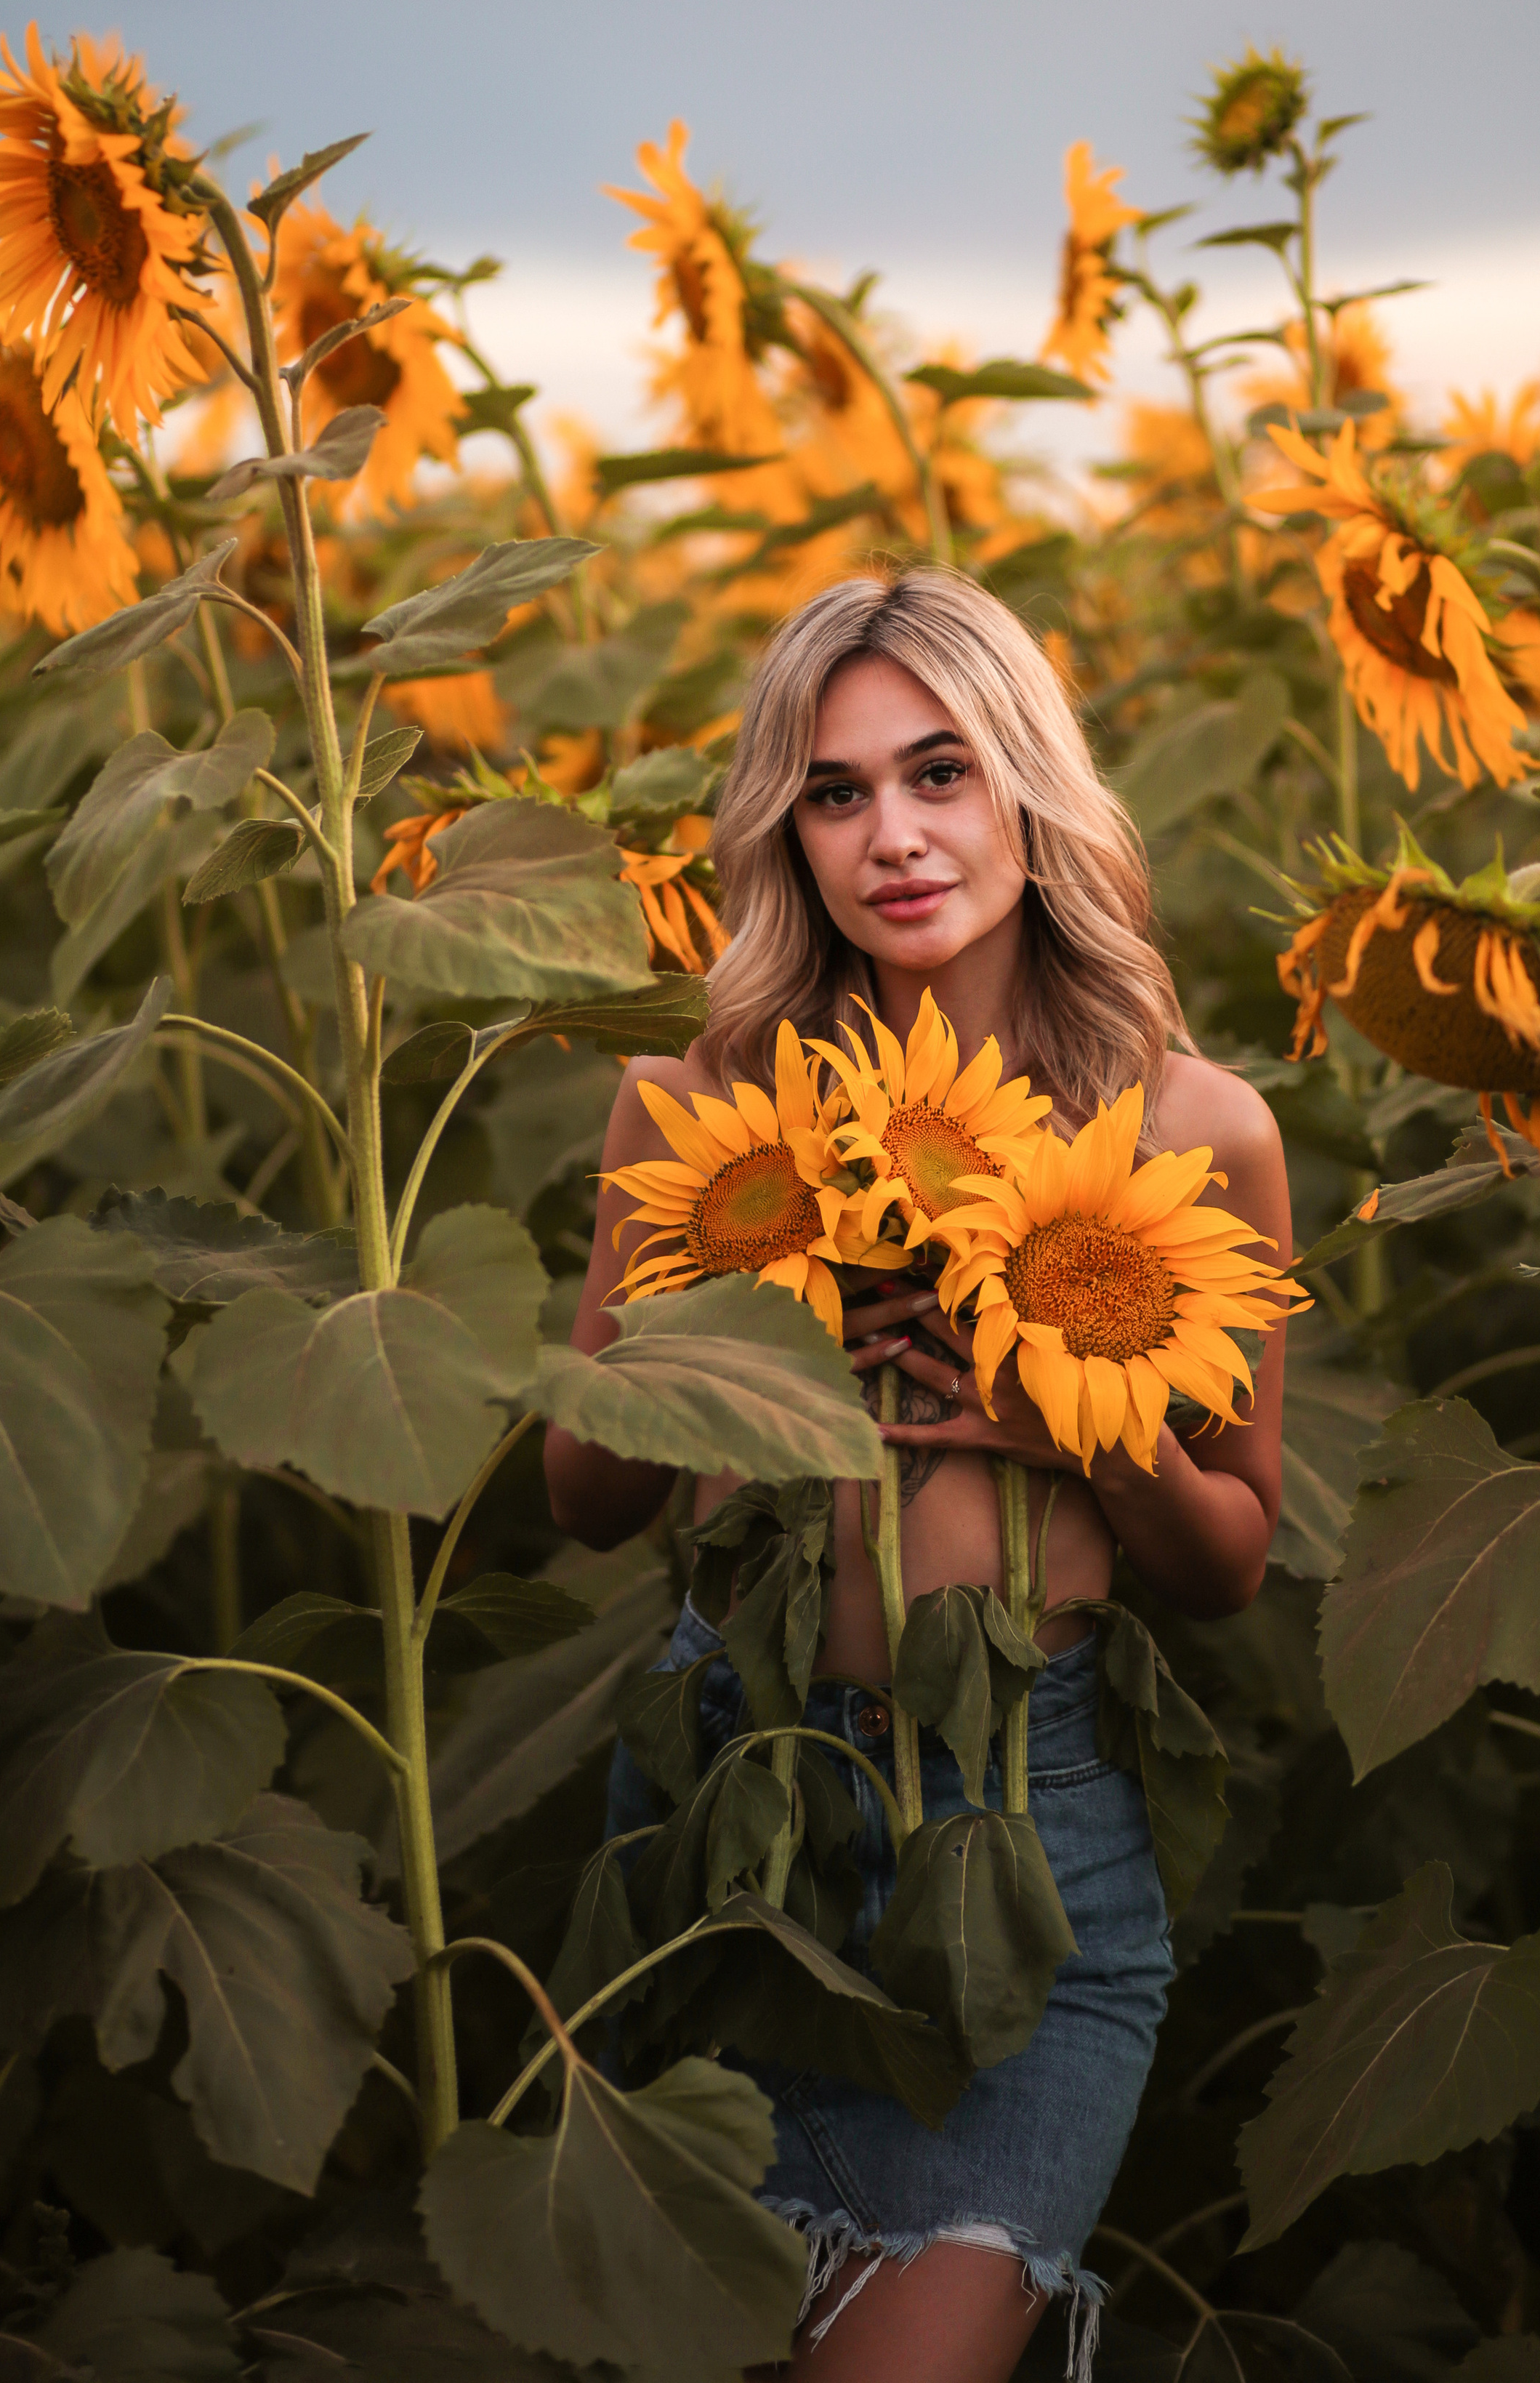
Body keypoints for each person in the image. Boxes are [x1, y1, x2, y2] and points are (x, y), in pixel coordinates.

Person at [544, 566, 1291, 2383]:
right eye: (834, 791)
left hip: (1022, 1851)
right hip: (729, 1818)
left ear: (1027, 782)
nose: (892, 834)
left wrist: (1083, 1430)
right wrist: (729, 1338)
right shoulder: (701, 1106)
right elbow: (583, 1495)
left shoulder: (1191, 1128)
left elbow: (1228, 1559)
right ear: (783, 833)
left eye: (938, 770)